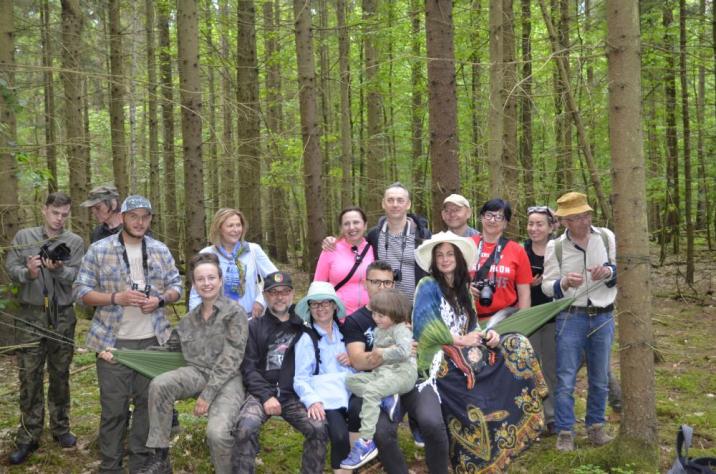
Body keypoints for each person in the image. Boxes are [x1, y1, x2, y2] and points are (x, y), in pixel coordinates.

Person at [412, 231, 546, 471]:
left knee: (516, 343)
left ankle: (503, 438)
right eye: (439, 255)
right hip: (436, 361)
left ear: (459, 258)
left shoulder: (464, 287)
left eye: (449, 254)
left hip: (465, 355)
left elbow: (473, 325)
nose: (444, 259)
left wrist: (487, 336)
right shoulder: (428, 284)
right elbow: (426, 328)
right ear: (434, 260)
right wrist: (461, 340)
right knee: (472, 400)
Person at [74, 195, 182, 473]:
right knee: (114, 412)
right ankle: (110, 466)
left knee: (148, 408)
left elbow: (176, 285)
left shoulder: (159, 249)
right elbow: (80, 292)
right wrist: (115, 297)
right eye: (134, 216)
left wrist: (160, 300)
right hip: (113, 343)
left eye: (145, 216)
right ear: (122, 217)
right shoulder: (99, 250)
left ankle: (140, 464)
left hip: (152, 341)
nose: (140, 222)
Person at [139, 253, 248, 474]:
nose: (206, 283)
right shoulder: (189, 319)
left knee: (217, 433)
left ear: (220, 280)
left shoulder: (234, 313)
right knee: (161, 384)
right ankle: (160, 455)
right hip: (196, 373)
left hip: (227, 380)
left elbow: (232, 358)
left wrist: (207, 396)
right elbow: (168, 348)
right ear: (194, 283)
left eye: (211, 278)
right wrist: (120, 353)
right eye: (201, 279)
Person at [342, 260, 449, 474]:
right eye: (376, 282)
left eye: (387, 283)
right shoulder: (355, 320)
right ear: (365, 283)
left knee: (432, 421)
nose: (382, 287)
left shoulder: (403, 311)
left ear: (394, 285)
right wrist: (391, 350)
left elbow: (418, 345)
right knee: (381, 431)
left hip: (412, 378)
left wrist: (396, 350)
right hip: (379, 379)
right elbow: (358, 361)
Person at [4, 192, 84, 465]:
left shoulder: (74, 242)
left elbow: (78, 276)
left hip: (62, 315)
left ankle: (61, 428)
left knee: (60, 374)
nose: (59, 219)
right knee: (30, 377)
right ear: (44, 210)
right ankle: (28, 435)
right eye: (55, 213)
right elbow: (10, 267)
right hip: (30, 315)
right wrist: (29, 272)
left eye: (64, 215)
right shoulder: (25, 238)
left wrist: (59, 269)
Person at [542, 192, 617, 452]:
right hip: (570, 317)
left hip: (604, 314)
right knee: (565, 378)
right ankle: (565, 431)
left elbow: (619, 271)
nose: (583, 221)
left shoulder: (606, 237)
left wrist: (608, 272)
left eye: (586, 215)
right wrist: (563, 282)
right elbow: (547, 286)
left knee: (600, 377)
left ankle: (596, 427)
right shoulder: (556, 247)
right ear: (564, 222)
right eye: (576, 217)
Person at [233, 271, 328, 473]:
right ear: (265, 296)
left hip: (292, 394)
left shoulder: (303, 327)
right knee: (245, 427)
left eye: (284, 291)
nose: (279, 297)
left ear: (292, 294)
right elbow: (248, 368)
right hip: (260, 394)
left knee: (318, 427)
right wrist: (266, 396)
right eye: (273, 292)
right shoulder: (254, 327)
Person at [341, 288, 417, 470]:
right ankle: (387, 398)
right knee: (351, 381)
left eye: (381, 315)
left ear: (394, 314)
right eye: (374, 313)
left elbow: (405, 351)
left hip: (403, 373)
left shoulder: (401, 330)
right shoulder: (378, 330)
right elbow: (375, 359)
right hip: (382, 374)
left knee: (372, 391)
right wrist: (372, 358)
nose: (376, 318)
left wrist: (382, 352)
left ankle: (366, 441)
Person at [294, 281, 355, 474]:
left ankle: (356, 461)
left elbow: (361, 363)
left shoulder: (345, 333)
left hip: (352, 390)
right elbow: (300, 378)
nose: (321, 308)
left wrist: (353, 360)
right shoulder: (307, 339)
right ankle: (342, 470)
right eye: (315, 304)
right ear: (309, 308)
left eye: (326, 303)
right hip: (328, 398)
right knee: (338, 436)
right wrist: (312, 401)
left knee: (364, 424)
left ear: (335, 306)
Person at [189, 208, 277, 318]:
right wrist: (196, 320)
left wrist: (261, 301)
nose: (236, 230)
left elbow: (276, 278)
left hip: (251, 320)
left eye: (238, 225)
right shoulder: (207, 254)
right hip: (219, 323)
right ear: (219, 228)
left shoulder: (253, 250)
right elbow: (196, 292)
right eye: (230, 226)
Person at [524, 205, 558, 436]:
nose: (534, 228)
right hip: (528, 317)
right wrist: (527, 283)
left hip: (556, 316)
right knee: (530, 368)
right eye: (531, 224)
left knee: (552, 369)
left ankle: (552, 416)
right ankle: (532, 417)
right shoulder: (520, 251)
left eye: (540, 224)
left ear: (551, 227)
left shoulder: (560, 250)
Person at [470, 198, 532, 321]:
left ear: (505, 223)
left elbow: (524, 293)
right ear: (481, 217)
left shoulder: (517, 250)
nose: (492, 220)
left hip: (505, 319)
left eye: (499, 217)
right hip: (469, 320)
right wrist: (465, 289)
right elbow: (450, 282)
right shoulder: (466, 246)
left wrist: (522, 322)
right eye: (489, 215)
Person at [314, 207, 375, 316]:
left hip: (369, 316)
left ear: (365, 225)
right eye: (346, 224)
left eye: (356, 222)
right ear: (341, 228)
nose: (352, 227)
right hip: (339, 317)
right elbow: (318, 286)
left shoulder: (373, 249)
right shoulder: (330, 249)